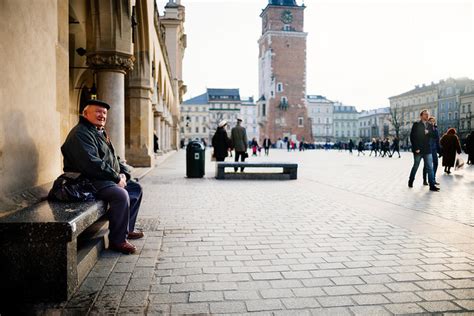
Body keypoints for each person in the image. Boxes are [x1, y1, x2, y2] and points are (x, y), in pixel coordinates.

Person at [61, 99, 144, 254]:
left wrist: (124, 174)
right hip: (86, 181)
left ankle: (127, 229)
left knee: (135, 188)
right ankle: (117, 240)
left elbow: (113, 158)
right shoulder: (81, 133)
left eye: (104, 113)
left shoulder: (99, 131)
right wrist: (116, 178)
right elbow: (92, 163)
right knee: (121, 195)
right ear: (85, 113)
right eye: (98, 112)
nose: (102, 115)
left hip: (102, 178)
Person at [408, 109, 439, 192]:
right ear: (421, 116)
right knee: (416, 166)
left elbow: (435, 136)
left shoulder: (430, 125)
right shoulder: (416, 124)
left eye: (427, 114)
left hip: (427, 149)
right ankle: (411, 180)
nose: (427, 116)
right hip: (418, 150)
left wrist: (428, 132)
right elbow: (412, 137)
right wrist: (416, 148)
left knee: (430, 167)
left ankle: (432, 185)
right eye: (425, 114)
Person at [423, 117, 441, 185]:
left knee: (435, 163)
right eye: (431, 121)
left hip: (434, 149)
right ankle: (425, 180)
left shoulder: (436, 129)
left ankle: (433, 179)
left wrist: (439, 151)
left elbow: (437, 141)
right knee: (426, 165)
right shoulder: (426, 129)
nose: (432, 122)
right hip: (427, 149)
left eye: (433, 121)